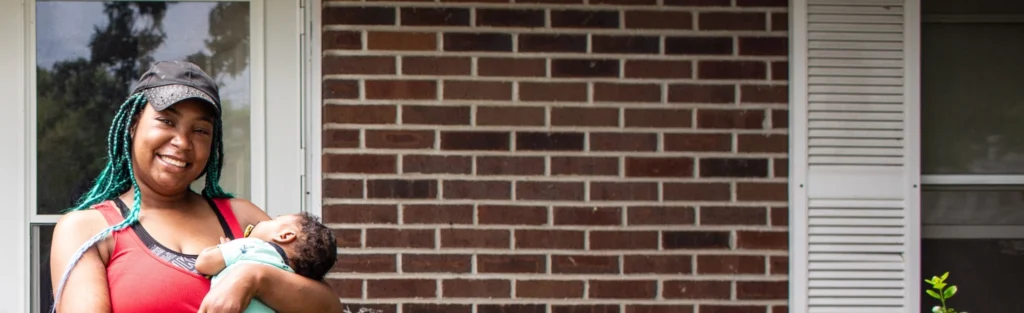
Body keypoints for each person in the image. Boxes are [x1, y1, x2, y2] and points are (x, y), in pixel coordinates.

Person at [48, 61, 343, 313]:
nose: (183, 143)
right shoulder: (88, 229)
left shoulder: (242, 218)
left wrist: (252, 276)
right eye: (166, 121)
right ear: (133, 125)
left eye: (200, 130)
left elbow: (328, 305)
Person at [195, 212, 338, 313]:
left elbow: (204, 263)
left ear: (285, 236)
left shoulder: (252, 246)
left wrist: (226, 248)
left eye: (274, 220)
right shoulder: (289, 273)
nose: (261, 221)